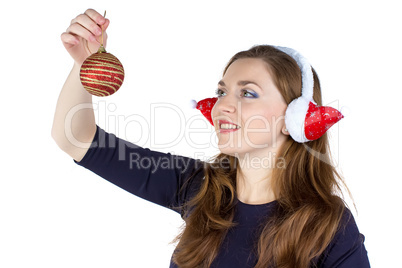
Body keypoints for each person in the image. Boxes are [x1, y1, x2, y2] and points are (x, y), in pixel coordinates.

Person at [52, 8, 371, 268]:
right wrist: (85, 64)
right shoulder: (195, 185)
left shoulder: (329, 225)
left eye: (247, 92)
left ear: (295, 118)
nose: (222, 106)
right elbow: (76, 139)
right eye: (221, 92)